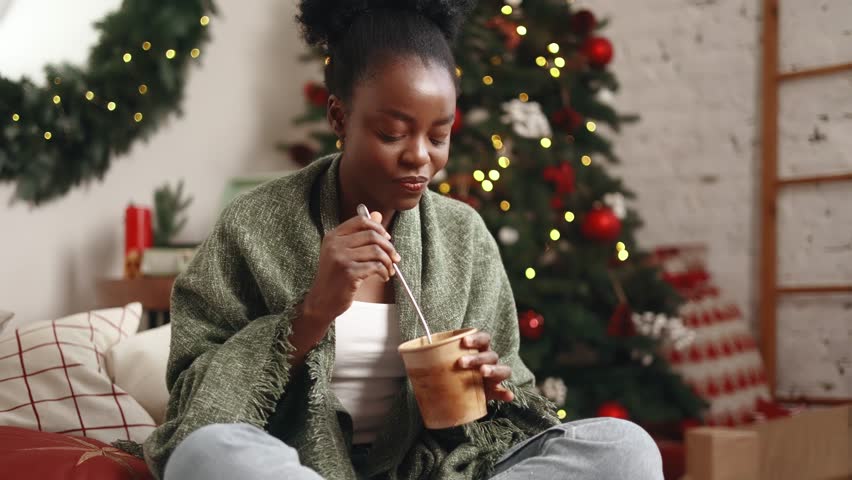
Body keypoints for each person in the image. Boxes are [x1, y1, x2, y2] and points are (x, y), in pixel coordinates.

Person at [143, 1, 664, 479]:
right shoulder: (252, 227)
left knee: (624, 449)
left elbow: (503, 425)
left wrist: (489, 393)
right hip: (295, 467)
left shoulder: (464, 237)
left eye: (439, 135)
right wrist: (311, 314)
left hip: (435, 470)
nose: (421, 157)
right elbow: (196, 406)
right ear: (339, 117)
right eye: (393, 133)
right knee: (206, 457)